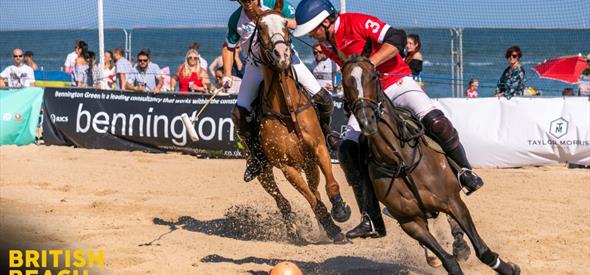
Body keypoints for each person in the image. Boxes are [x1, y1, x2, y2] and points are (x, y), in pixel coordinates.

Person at [293, 0, 484, 238]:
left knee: (436, 122)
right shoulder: (327, 40)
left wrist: (370, 64)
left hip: (396, 83)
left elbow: (397, 37)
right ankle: (371, 218)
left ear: (326, 21)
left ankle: (465, 172)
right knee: (348, 150)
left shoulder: (356, 22)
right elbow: (290, 23)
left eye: (313, 30)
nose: (311, 36)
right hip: (368, 98)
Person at [221, 0, 341, 183]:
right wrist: (228, 74)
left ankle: (327, 133)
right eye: (242, 0)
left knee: (323, 98)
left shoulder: (274, 3)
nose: (247, 3)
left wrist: (279, 19)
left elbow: (297, 22)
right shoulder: (236, 19)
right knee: (239, 114)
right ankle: (256, 157)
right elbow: (229, 47)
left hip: (287, 59)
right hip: (256, 67)